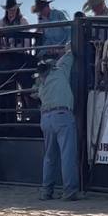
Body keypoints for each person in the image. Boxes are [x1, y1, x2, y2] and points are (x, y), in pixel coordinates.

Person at [31, 45, 80, 201]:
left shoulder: (40, 80)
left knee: (49, 156)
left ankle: (47, 191)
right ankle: (70, 191)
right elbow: (70, 52)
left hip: (46, 118)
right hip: (62, 115)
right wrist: (62, 50)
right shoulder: (60, 69)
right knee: (67, 155)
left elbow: (33, 94)